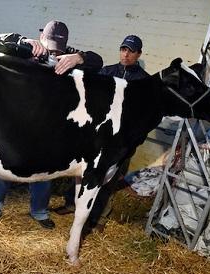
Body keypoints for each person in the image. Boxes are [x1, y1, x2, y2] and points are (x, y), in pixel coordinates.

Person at [0, 20, 103, 229]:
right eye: (49, 49)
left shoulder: (69, 55)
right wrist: (21, 41)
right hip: (18, 120)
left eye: (58, 51)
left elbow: (98, 62)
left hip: (49, 126)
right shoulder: (24, 48)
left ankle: (39, 212)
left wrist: (79, 57)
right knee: (3, 165)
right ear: (41, 39)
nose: (53, 55)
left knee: (44, 171)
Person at [53, 35, 149, 233]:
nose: (126, 54)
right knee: (82, 171)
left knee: (110, 179)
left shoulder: (143, 81)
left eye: (131, 51)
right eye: (123, 49)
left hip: (121, 141)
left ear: (138, 54)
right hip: (97, 135)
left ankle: (99, 217)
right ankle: (72, 204)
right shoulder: (107, 72)